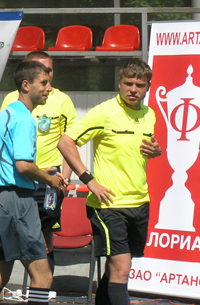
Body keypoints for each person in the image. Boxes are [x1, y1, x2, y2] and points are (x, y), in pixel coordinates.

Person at [57, 59, 162, 305]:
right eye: (128, 83)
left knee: (116, 269)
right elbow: (65, 142)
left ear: (148, 87)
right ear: (119, 83)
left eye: (139, 85)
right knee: (122, 269)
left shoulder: (149, 115)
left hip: (139, 202)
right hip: (108, 205)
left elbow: (140, 151)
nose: (133, 89)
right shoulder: (105, 112)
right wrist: (88, 180)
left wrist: (156, 151)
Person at [0, 60, 65, 305]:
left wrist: (39, 172)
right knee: (43, 277)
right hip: (18, 201)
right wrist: (50, 179)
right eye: (44, 83)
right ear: (26, 85)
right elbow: (24, 166)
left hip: (0, 198)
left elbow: (14, 163)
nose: (49, 88)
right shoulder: (25, 118)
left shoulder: (6, 113)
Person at [0, 51, 77, 273]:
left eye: (49, 70)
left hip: (49, 182)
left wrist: (65, 179)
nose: (47, 75)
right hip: (19, 178)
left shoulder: (62, 100)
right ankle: (14, 285)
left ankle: (44, 287)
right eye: (41, 71)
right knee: (12, 238)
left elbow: (70, 144)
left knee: (45, 239)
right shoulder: (12, 99)